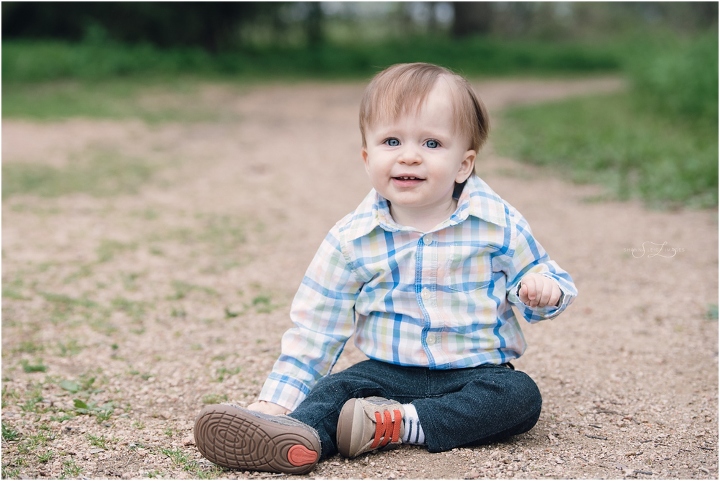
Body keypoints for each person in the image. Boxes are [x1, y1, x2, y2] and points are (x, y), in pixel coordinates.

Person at [193, 62, 577, 475]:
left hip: (473, 372)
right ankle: (294, 439)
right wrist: (276, 399)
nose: (409, 155)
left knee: (518, 396)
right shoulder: (352, 239)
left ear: (464, 164)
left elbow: (544, 278)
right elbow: (316, 329)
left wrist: (540, 289)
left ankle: (397, 426)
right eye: (391, 141)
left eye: (432, 144)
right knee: (334, 390)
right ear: (367, 157)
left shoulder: (497, 223)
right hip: (384, 373)